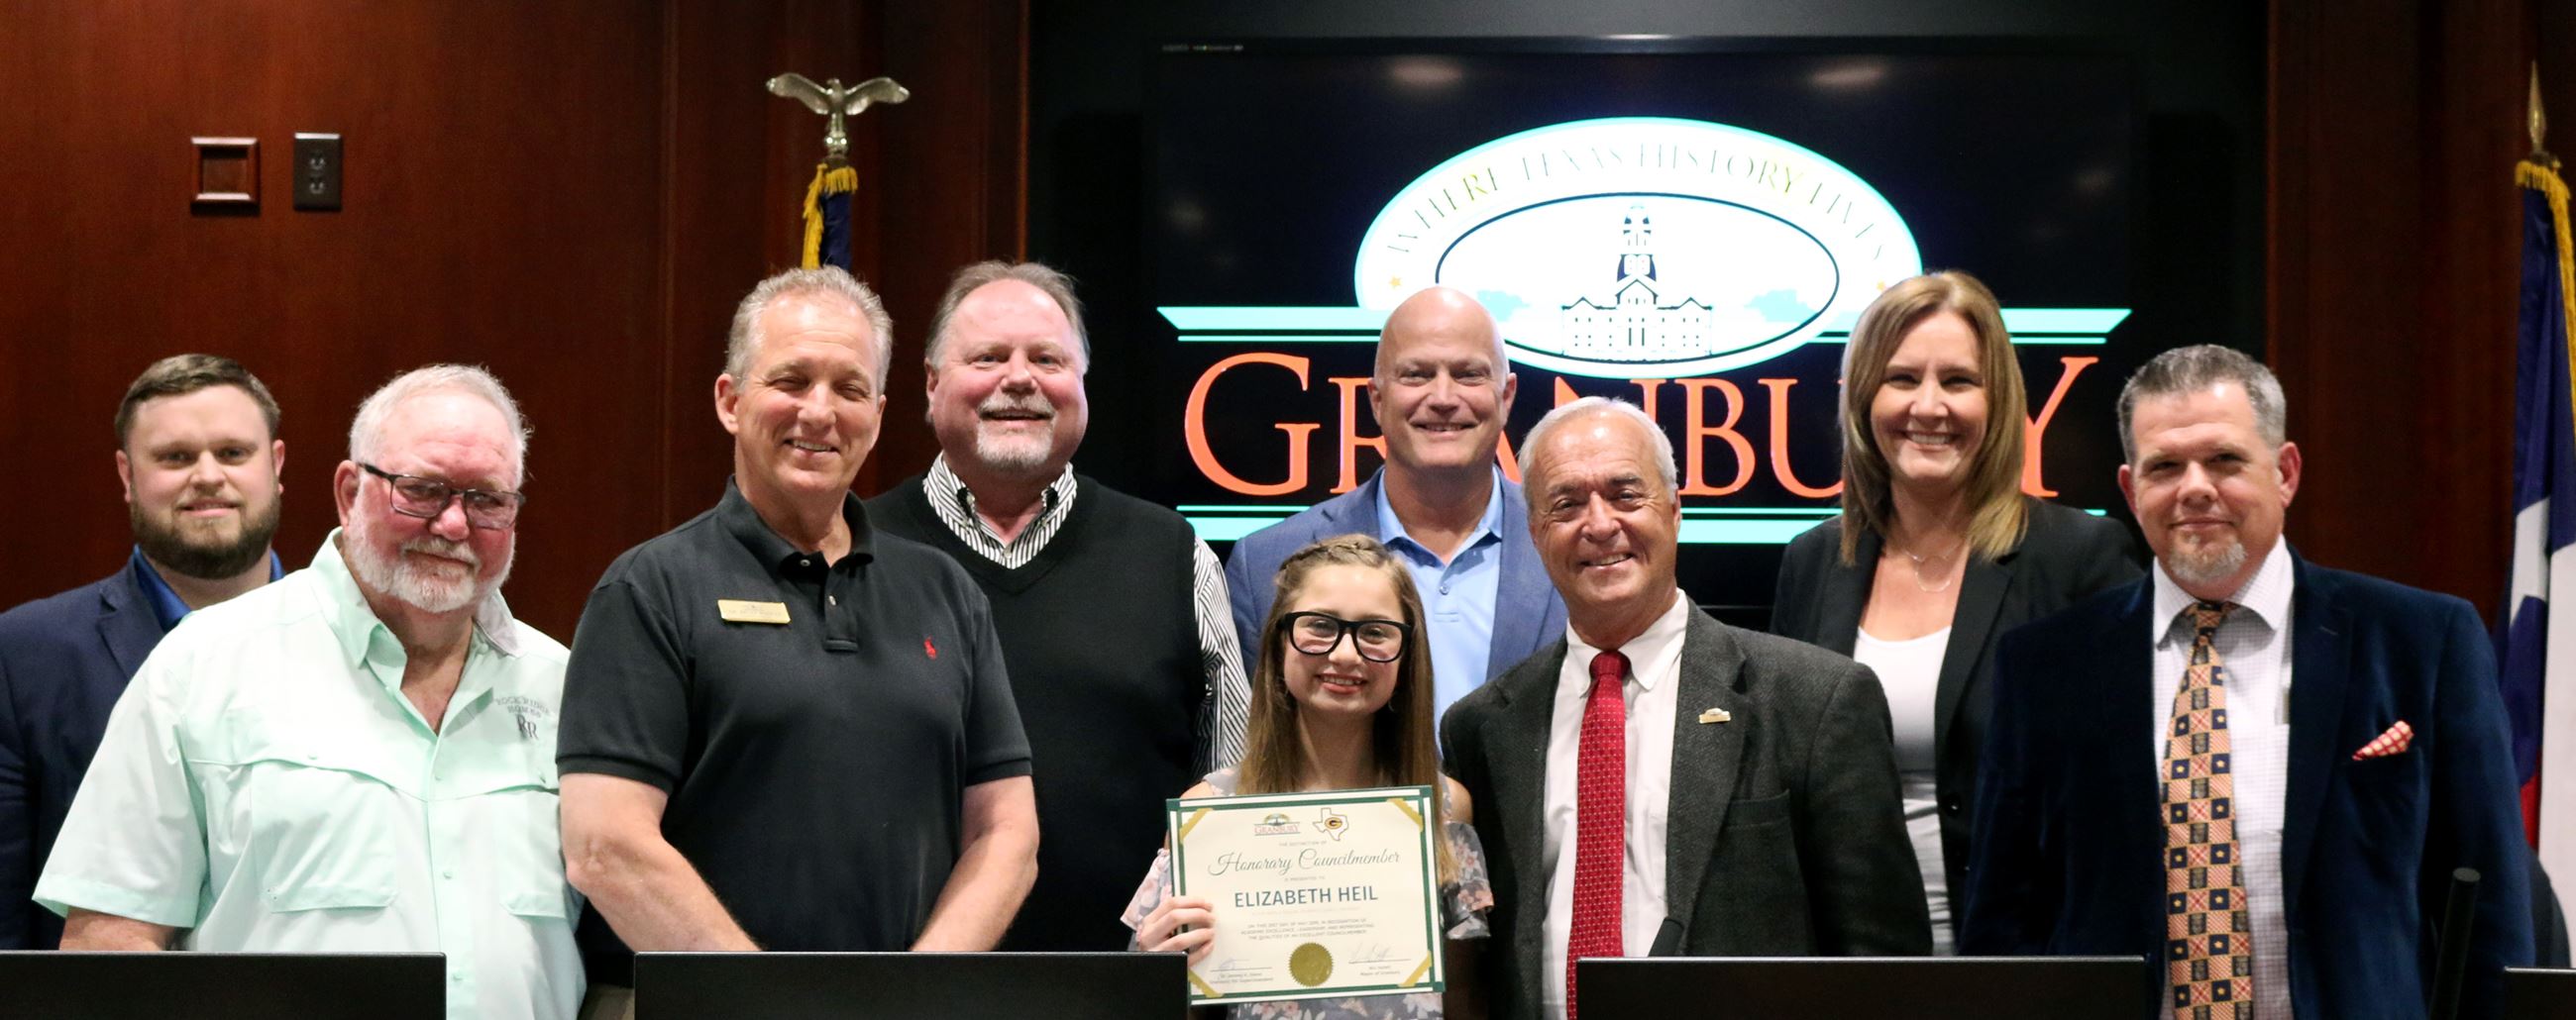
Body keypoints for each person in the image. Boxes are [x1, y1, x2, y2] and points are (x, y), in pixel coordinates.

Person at [1961, 345, 2532, 1018]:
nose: (2195, 487)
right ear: (2129, 489)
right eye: (2166, 466)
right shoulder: (2046, 667)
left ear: (2285, 472)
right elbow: (2004, 924)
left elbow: (2489, 908)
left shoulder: (2422, 642)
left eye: (2225, 460)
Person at [556, 267, 1037, 1009]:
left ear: (877, 415)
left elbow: (1007, 835)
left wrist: (917, 995)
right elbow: (603, 845)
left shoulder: (946, 592)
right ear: (730, 399)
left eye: (849, 389)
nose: (820, 412)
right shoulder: (649, 589)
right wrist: (767, 1003)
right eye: (791, 379)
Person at [35, 364, 579, 1020]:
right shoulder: (202, 666)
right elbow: (108, 947)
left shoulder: (563, 687)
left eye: (488, 498)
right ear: (349, 492)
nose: (455, 525)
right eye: (422, 490)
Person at [1444, 397, 1928, 1020]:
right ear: (1536, 532)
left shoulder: (1814, 700)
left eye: (1625, 494)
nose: (1598, 523)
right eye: (1566, 504)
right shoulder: (1483, 727)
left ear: (1674, 510)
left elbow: (1884, 966)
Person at [868, 260, 1249, 951]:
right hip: (902, 989)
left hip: (1130, 989)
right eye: (988, 357)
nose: (1020, 379)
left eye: (1047, 359)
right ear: (930, 385)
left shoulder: (1171, 553)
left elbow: (1235, 782)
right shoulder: (854, 551)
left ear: (1080, 384)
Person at [1770, 271, 2140, 952]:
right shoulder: (1813, 563)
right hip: (1855, 972)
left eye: (1959, 381)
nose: (1929, 406)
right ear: (1862, 400)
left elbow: (2122, 795)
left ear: (1998, 401)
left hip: (2028, 966)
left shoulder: (2079, 558)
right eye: (1902, 379)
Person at [1126, 534, 1492, 1019]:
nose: (1345, 654)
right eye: (1319, 626)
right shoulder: (1207, 811)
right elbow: (1168, 1008)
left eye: (1376, 632)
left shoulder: (1445, 808)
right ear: (1279, 641)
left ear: (1407, 655)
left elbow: (1463, 1001)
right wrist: (1156, 971)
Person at [0, 354, 288, 950]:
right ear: (127, 475)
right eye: (176, 457)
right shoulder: (23, 657)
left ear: (276, 465)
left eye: (233, 453)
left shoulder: (361, 645)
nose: (208, 476)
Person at [1227, 286, 1564, 727]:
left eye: (1468, 374)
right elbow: (1254, 755)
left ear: (1506, 396)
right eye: (1417, 375)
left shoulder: (1572, 549)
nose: (1443, 397)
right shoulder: (1264, 568)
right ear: (1377, 399)